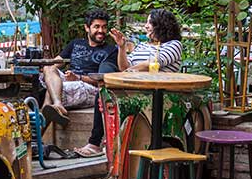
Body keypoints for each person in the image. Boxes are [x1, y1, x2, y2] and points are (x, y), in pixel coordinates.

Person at [75, 9, 182, 157]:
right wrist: (121, 47)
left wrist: (130, 72)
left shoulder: (174, 45)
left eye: (149, 22)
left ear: (160, 25)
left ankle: (110, 145)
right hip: (132, 89)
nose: (146, 26)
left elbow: (154, 62)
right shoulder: (142, 46)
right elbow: (124, 67)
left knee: (107, 93)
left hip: (156, 94)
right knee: (103, 93)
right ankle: (96, 143)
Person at [40, 9, 117, 127]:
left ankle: (38, 137)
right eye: (96, 27)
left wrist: (78, 77)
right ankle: (58, 104)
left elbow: (104, 81)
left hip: (89, 88)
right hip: (68, 82)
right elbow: (55, 63)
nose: (101, 31)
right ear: (87, 28)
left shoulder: (110, 50)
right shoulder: (76, 43)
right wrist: (47, 70)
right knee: (49, 68)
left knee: (50, 93)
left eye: (104, 27)